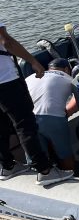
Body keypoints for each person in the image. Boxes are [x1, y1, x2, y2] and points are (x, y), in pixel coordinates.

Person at [0, 23, 72, 186]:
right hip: (6, 81)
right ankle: (44, 170)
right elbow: (7, 42)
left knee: (2, 126)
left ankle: (7, 166)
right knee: (25, 124)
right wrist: (32, 61)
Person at [25, 58, 79, 171]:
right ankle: (71, 177)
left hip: (27, 119)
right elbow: (78, 100)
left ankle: (44, 177)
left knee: (38, 157)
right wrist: (66, 112)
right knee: (65, 154)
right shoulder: (68, 78)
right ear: (66, 69)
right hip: (52, 119)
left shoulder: (30, 77)